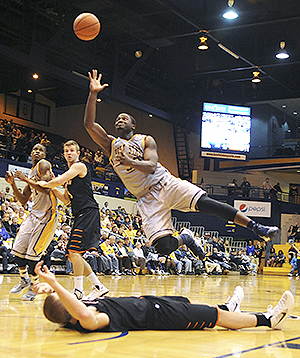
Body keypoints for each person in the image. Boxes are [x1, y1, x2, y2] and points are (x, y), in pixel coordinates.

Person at [84, 70, 279, 259]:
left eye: (124, 118)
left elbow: (151, 166)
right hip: (145, 197)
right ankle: (186, 237)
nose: (120, 120)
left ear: (133, 126)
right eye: (118, 118)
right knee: (163, 247)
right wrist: (93, 94)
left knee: (208, 204)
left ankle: (256, 227)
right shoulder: (111, 144)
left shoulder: (145, 140)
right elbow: (89, 125)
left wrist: (129, 162)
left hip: (165, 183)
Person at [33, 262, 294, 332]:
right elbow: (83, 313)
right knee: (215, 318)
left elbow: (73, 304)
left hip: (153, 303)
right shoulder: (88, 320)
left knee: (192, 303)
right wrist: (55, 285)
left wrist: (51, 289)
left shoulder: (74, 311)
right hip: (159, 316)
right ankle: (267, 320)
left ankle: (228, 305)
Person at [37, 140, 109, 300]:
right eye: (66, 151)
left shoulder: (79, 166)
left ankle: (78, 290)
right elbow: (66, 200)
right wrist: (53, 187)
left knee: (74, 252)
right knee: (73, 254)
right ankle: (98, 286)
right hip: (80, 214)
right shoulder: (70, 178)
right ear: (63, 154)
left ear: (78, 153)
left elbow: (58, 181)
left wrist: (46, 183)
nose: (69, 153)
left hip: (88, 212)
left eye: (72, 150)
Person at [5, 144, 58, 300]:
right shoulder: (31, 172)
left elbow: (47, 189)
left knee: (32, 256)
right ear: (30, 153)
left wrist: (25, 179)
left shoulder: (44, 165)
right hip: (33, 214)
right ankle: (24, 279)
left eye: (40, 150)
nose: (37, 151)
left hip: (46, 216)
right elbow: (23, 200)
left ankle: (34, 288)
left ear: (45, 154)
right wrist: (13, 184)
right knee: (17, 250)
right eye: (34, 149)